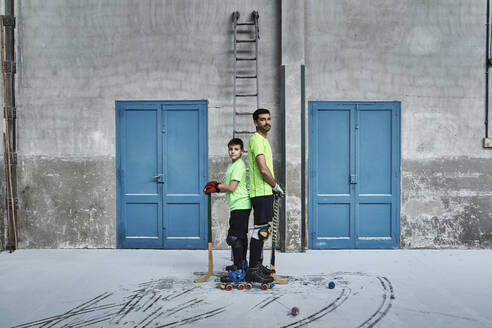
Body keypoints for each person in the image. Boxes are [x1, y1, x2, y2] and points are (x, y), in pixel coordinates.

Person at [204, 138, 251, 282]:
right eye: (230, 149)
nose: (233, 152)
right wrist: (219, 187)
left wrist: (217, 186)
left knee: (234, 237)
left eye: (236, 149)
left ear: (242, 151)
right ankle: (241, 264)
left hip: (240, 205)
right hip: (239, 205)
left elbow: (231, 188)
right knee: (241, 236)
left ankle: (237, 271)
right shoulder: (233, 165)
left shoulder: (238, 165)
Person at [246, 108, 284, 282]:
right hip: (261, 192)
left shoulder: (263, 140)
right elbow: (263, 169)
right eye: (262, 119)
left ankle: (257, 265)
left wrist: (272, 188)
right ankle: (253, 270)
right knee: (260, 230)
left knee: (263, 230)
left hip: (265, 191)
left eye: (268, 119)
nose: (267, 122)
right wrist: (275, 185)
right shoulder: (257, 140)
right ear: (255, 122)